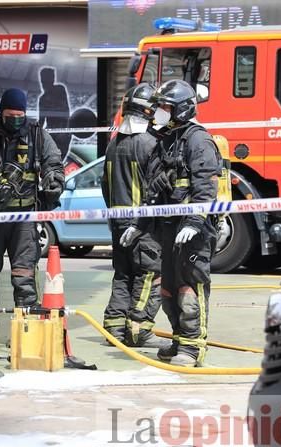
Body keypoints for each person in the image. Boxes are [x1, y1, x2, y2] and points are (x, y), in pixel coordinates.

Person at [0, 88, 64, 346]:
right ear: (1, 112)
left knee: (24, 276)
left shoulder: (36, 134)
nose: (16, 119)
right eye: (11, 115)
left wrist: (54, 181)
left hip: (23, 217)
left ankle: (27, 330)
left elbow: (53, 162)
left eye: (20, 115)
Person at [146, 79, 221, 367]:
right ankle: (179, 339)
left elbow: (205, 186)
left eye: (165, 106)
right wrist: (139, 224)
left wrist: (194, 221)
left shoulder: (198, 140)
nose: (159, 112)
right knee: (169, 291)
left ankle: (191, 348)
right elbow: (154, 188)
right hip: (169, 228)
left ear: (181, 109)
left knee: (190, 289)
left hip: (193, 231)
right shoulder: (166, 139)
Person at [101, 83, 165, 348]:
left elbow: (106, 186)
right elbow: (158, 188)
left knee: (123, 274)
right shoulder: (151, 144)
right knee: (151, 275)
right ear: (148, 111)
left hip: (118, 222)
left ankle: (114, 328)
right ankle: (139, 329)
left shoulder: (114, 144)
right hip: (144, 226)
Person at [38, 67, 71, 158]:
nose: (43, 84)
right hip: (52, 132)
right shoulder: (42, 98)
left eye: (45, 81)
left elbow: (66, 111)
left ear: (53, 79)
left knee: (57, 159)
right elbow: (41, 121)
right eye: (43, 82)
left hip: (62, 131)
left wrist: (66, 131)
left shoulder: (60, 89)